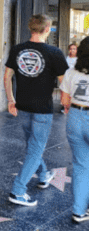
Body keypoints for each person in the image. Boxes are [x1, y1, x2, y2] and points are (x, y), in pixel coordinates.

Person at [4, 14, 69, 206]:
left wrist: (10, 99)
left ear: (30, 28)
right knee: (35, 148)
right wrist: (68, 105)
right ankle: (17, 191)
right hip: (42, 110)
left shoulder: (17, 49)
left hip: (22, 106)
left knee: (33, 146)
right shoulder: (54, 52)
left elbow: (7, 76)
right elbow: (64, 84)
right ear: (47, 29)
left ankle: (43, 175)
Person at [60, 36, 89, 223]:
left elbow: (64, 101)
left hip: (75, 118)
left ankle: (78, 211)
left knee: (80, 166)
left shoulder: (71, 72)